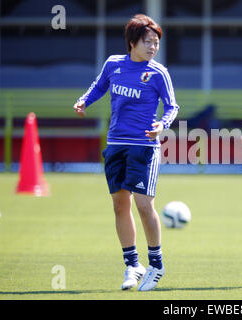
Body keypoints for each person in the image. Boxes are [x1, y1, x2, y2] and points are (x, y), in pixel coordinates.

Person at [73, 14, 179, 291]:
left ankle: (156, 264)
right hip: (116, 143)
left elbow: (172, 107)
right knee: (120, 204)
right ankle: (132, 264)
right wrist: (85, 100)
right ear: (132, 42)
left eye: (156, 43)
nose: (153, 47)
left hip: (144, 146)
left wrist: (162, 124)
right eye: (148, 42)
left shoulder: (158, 72)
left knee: (144, 205)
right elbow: (99, 87)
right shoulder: (113, 64)